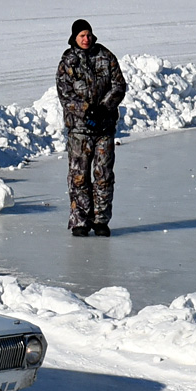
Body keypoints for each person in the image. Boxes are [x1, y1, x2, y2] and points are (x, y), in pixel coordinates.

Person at [56, 19, 127, 237]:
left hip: (104, 129)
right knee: (79, 175)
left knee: (103, 174)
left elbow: (119, 85)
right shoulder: (68, 61)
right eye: (81, 36)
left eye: (88, 35)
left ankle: (101, 220)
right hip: (79, 130)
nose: (86, 39)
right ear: (74, 38)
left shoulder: (105, 56)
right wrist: (87, 110)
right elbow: (65, 93)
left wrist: (104, 108)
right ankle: (80, 221)